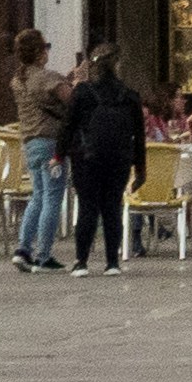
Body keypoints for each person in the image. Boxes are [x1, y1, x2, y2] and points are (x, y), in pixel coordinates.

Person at [59, 44, 147, 272]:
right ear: (117, 64)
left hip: (87, 158)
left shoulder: (82, 93)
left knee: (87, 207)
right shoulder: (130, 96)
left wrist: (59, 154)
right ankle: (112, 262)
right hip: (119, 158)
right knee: (112, 207)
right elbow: (139, 135)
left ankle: (81, 262)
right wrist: (140, 168)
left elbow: (68, 125)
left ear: (93, 65)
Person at [8, 27, 73, 273]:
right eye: (46, 47)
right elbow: (71, 99)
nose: (48, 51)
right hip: (51, 143)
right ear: (38, 52)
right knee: (53, 198)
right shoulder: (47, 77)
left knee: (37, 196)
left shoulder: (18, 80)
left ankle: (23, 248)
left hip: (30, 144)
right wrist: (74, 81)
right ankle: (44, 254)